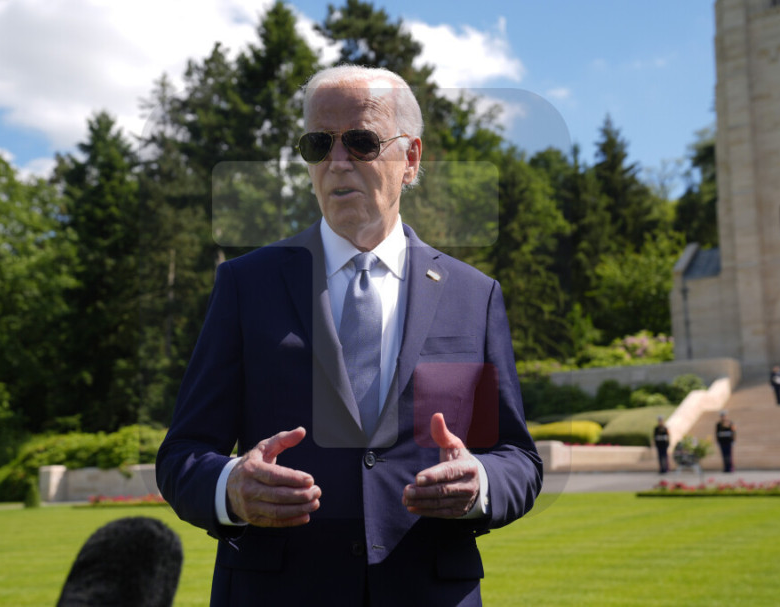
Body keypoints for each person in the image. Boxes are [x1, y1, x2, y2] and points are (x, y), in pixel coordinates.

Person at [156, 65, 543, 607]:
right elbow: (183, 454)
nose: (337, 161)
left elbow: (517, 458)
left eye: (361, 142)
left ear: (411, 159)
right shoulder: (246, 285)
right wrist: (231, 488)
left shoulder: (473, 296)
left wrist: (479, 481)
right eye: (319, 143)